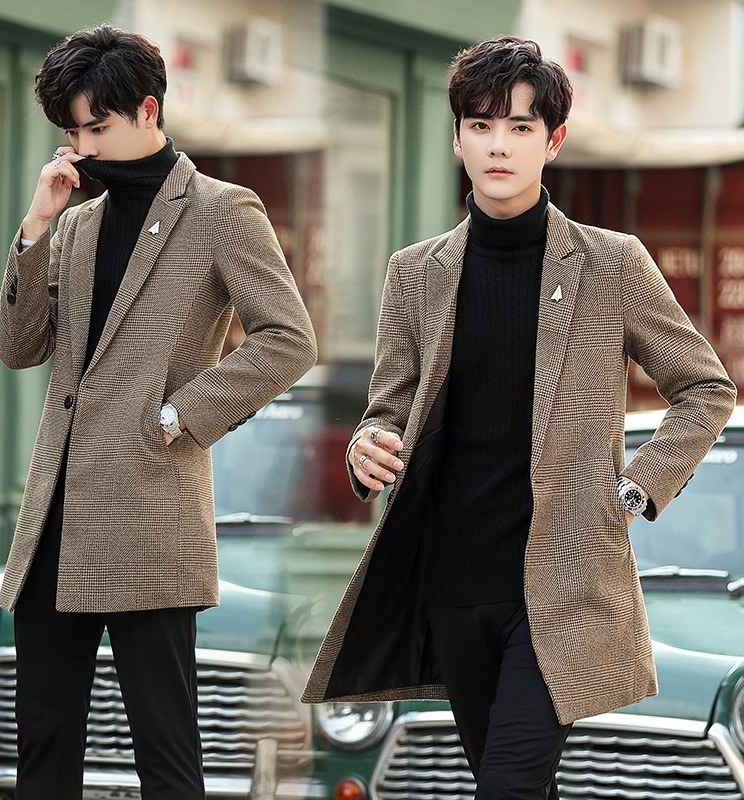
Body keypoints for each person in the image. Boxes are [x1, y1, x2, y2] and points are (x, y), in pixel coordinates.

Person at [302, 35, 736, 799]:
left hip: (565, 585)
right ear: (457, 138)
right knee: (516, 784)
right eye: (480, 125)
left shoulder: (613, 264)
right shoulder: (416, 272)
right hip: (452, 582)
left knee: (505, 785)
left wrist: (636, 489)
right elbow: (389, 408)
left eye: (520, 127)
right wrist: (366, 446)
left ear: (553, 140)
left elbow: (705, 387)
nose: (498, 145)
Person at [0, 24, 316, 800]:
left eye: (96, 128)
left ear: (147, 110)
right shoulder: (77, 223)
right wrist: (35, 227)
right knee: (41, 752)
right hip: (55, 523)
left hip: (149, 514)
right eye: (73, 132)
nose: (84, 149)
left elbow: (289, 339)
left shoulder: (222, 210)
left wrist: (180, 416)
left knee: (166, 758)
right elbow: (20, 347)